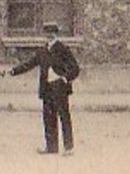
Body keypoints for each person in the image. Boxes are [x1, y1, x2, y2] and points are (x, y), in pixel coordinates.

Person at [10, 22, 80, 155]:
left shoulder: (63, 49)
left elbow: (75, 68)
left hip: (59, 87)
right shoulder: (42, 51)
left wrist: (64, 79)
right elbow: (30, 64)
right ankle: (51, 147)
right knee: (48, 117)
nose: (49, 35)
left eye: (52, 32)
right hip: (46, 88)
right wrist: (13, 71)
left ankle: (68, 147)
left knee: (64, 116)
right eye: (47, 32)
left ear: (56, 33)